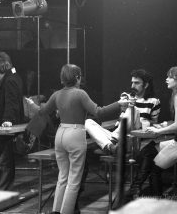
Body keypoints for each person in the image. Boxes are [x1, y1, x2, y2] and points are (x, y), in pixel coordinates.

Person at [25, 64, 124, 214]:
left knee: (62, 177)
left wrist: (32, 104)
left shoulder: (57, 94)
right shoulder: (80, 94)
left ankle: (55, 211)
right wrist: (119, 104)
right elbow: (99, 112)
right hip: (75, 134)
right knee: (74, 180)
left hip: (60, 134)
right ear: (77, 77)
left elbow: (42, 111)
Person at [127, 66, 177, 199]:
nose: (166, 79)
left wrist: (158, 131)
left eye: (170, 77)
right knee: (149, 150)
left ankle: (155, 200)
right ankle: (135, 188)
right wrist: (161, 127)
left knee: (154, 169)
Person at [85, 69, 161, 155]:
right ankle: (110, 146)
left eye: (136, 83)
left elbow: (154, 123)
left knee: (132, 109)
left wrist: (142, 120)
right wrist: (123, 109)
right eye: (132, 82)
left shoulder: (154, 101)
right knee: (88, 122)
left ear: (146, 85)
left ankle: (110, 143)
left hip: (135, 134)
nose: (133, 86)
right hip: (118, 133)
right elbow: (120, 119)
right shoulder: (126, 97)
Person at [0, 52, 24, 190]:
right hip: (6, 126)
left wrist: (8, 120)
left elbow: (11, 102)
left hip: (6, 126)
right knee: (4, 160)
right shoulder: (13, 77)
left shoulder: (9, 81)